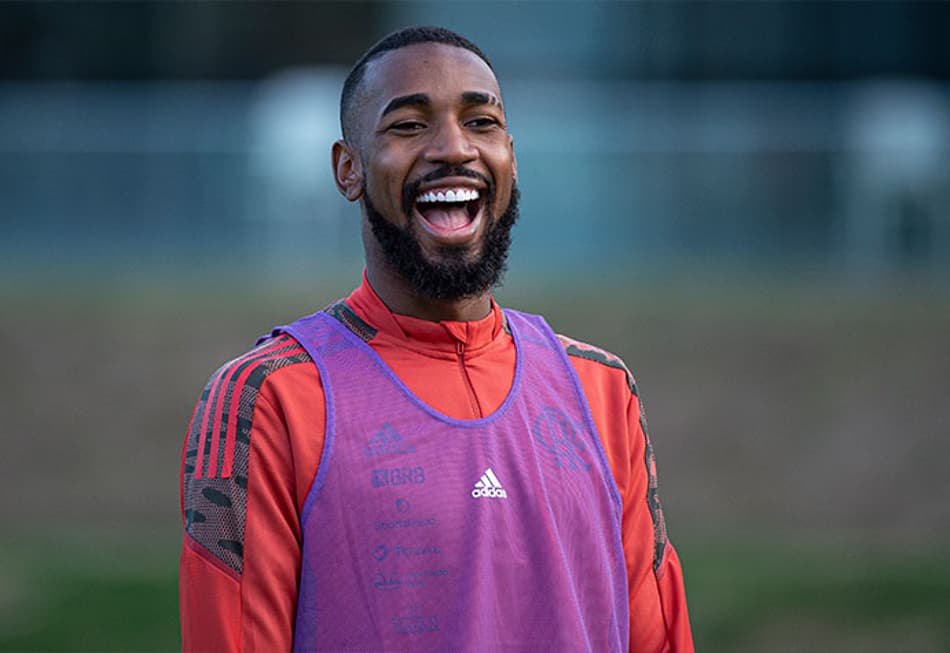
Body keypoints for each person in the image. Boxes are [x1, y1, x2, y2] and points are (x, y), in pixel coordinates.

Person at [179, 25, 693, 652]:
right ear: (348, 169)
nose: (453, 148)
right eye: (408, 125)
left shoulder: (604, 390)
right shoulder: (266, 398)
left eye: (481, 122)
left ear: (510, 157)